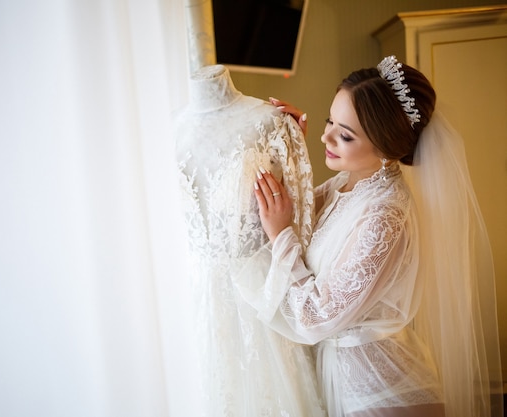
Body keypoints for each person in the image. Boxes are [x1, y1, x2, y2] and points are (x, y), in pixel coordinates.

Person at [235, 56, 503, 417]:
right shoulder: (348, 184)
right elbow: (288, 214)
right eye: (331, 120)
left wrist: (281, 234)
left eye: (345, 135)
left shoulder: (385, 215)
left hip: (381, 396)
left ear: (387, 148)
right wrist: (291, 150)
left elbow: (316, 315)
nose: (325, 136)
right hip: (346, 382)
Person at [173, 64, 325, 417]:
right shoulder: (161, 130)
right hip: (188, 308)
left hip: (258, 312)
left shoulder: (270, 123)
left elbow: (302, 228)